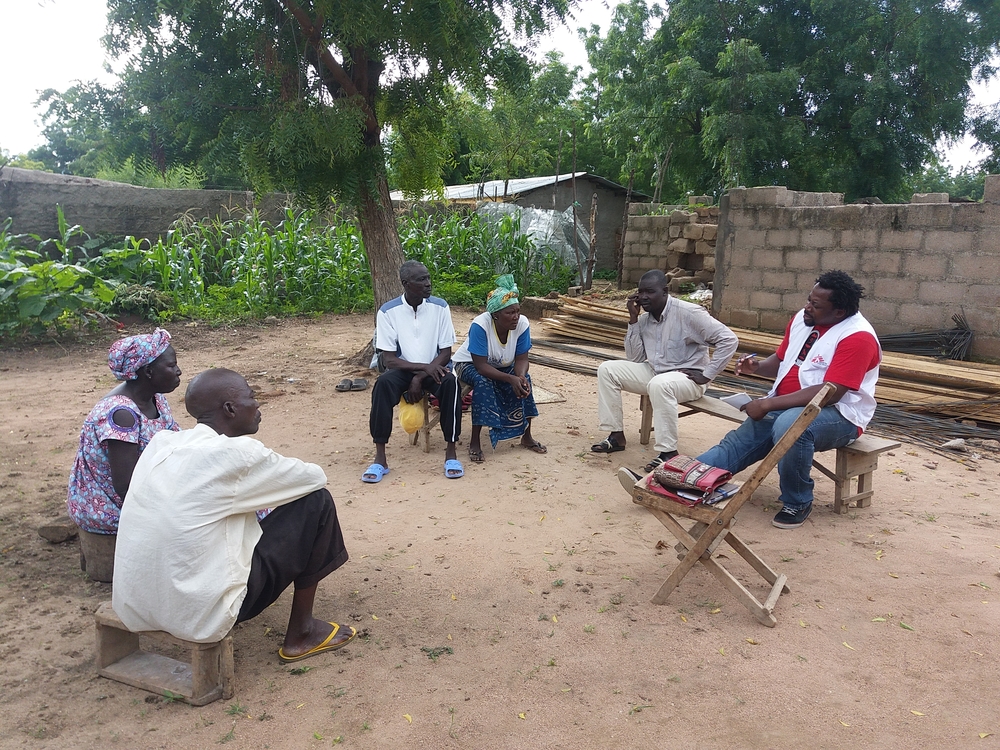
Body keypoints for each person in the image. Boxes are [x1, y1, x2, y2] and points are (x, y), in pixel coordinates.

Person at [113, 368, 355, 661]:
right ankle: (302, 632)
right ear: (230, 409)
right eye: (251, 397)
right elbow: (315, 477)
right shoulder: (237, 454)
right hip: (201, 617)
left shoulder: (162, 443)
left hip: (135, 605)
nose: (257, 405)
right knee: (317, 502)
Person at [697, 270, 881, 529]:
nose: (807, 307)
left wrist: (766, 404)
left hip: (841, 415)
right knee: (737, 443)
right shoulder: (803, 320)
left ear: (839, 312)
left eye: (815, 305)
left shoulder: (857, 337)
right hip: (787, 404)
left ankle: (798, 500)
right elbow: (784, 361)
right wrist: (757, 367)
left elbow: (831, 393)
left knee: (790, 425)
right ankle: (684, 477)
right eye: (808, 299)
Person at [591, 269, 739, 470]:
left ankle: (668, 452)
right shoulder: (643, 319)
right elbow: (634, 358)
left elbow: (729, 340)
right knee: (607, 369)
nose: (643, 297)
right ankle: (616, 436)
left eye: (650, 292)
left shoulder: (689, 313)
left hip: (687, 379)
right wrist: (633, 319)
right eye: (640, 292)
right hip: (655, 373)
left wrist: (707, 375)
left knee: (660, 384)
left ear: (665, 291)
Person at [67, 328, 182, 534]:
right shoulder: (121, 414)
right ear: (148, 372)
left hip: (144, 491)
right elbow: (125, 487)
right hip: (111, 509)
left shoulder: (155, 399)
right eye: (172, 365)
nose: (178, 371)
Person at [364, 260, 464, 482]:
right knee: (382, 386)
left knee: (451, 385)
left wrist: (420, 377)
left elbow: (446, 352)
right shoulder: (388, 312)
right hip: (403, 368)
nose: (428, 283)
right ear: (405, 283)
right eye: (421, 280)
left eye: (428, 278)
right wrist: (420, 370)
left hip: (436, 366)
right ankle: (380, 457)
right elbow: (389, 359)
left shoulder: (440, 307)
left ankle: (451, 451)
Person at [453, 274, 545, 463]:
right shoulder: (480, 325)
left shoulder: (522, 324)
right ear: (495, 314)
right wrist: (510, 379)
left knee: (526, 380)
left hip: (503, 365)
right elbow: (481, 366)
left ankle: (526, 436)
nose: (516, 317)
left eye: (518, 311)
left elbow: (522, 358)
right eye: (510, 312)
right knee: (482, 382)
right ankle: (475, 441)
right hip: (468, 364)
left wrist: (519, 376)